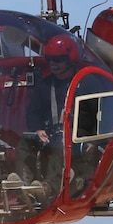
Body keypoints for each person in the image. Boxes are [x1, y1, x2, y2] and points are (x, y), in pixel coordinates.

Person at [17, 34, 80, 191]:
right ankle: (25, 187)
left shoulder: (82, 84)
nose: (53, 64)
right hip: (50, 133)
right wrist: (38, 129)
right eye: (50, 60)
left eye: (58, 60)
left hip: (75, 136)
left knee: (61, 144)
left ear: (69, 60)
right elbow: (33, 111)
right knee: (25, 144)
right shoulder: (44, 85)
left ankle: (49, 188)